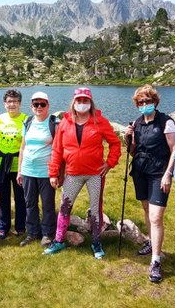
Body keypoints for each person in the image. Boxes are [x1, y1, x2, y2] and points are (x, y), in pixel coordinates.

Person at [45, 87, 121, 259]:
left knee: (96, 209)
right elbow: (57, 149)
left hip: (95, 174)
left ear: (90, 102)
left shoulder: (100, 121)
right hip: (72, 174)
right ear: (74, 102)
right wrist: (53, 173)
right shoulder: (65, 122)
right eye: (78, 100)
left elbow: (115, 143)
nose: (81, 103)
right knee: (65, 207)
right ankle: (59, 240)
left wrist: (110, 163)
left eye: (85, 100)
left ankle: (96, 243)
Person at [124, 84, 175, 283]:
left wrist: (168, 174)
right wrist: (127, 138)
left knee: (156, 216)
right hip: (140, 171)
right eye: (140, 102)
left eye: (148, 101)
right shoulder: (137, 123)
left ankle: (156, 260)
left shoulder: (166, 122)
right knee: (147, 210)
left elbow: (174, 149)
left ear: (155, 102)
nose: (144, 104)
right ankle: (150, 241)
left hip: (158, 173)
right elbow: (133, 151)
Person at [17, 92, 57, 247]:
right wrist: (20, 170)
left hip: (46, 171)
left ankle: (48, 234)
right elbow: (22, 147)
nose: (39, 107)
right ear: (31, 106)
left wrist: (58, 172)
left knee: (47, 203)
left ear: (48, 105)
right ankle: (33, 233)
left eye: (42, 104)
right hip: (27, 171)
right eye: (36, 104)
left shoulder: (54, 122)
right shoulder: (27, 121)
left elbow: (58, 149)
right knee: (30, 202)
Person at [0, 89, 28, 239]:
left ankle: (21, 226)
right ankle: (3, 227)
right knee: (3, 197)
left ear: (20, 103)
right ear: (4, 104)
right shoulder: (0, 119)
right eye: (9, 101)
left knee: (20, 197)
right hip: (0, 163)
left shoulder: (26, 119)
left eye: (15, 101)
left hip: (18, 164)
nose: (12, 104)